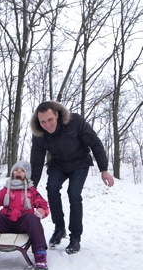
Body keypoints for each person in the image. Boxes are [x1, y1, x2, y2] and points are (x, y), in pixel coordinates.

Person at [30, 101, 115, 254]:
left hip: (80, 162)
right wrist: (31, 187)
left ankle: (75, 237)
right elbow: (36, 162)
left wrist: (104, 169)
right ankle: (59, 228)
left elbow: (95, 143)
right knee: (52, 188)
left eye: (50, 120)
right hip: (58, 164)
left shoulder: (75, 121)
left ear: (57, 114)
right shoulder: (39, 133)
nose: (47, 125)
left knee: (73, 193)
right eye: (43, 121)